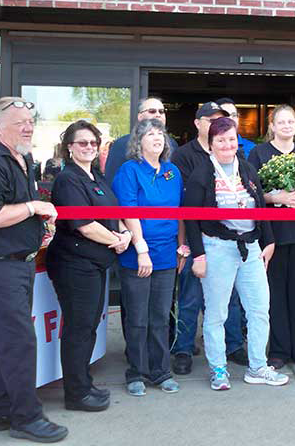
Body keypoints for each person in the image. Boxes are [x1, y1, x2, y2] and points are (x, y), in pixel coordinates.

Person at [0, 97, 68, 443]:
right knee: (18, 343)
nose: (28, 127)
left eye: (31, 121)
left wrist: (38, 224)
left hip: (18, 264)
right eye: (20, 123)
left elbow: (16, 211)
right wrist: (33, 206)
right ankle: (26, 418)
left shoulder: (23, 159)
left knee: (5, 342)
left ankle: (2, 410)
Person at [183, 116, 289, 390]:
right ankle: (218, 369)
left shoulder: (247, 168)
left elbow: (259, 208)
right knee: (217, 313)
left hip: (251, 247)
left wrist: (269, 241)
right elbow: (190, 218)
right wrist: (198, 255)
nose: (227, 144)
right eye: (221, 140)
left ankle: (257, 366)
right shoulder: (201, 174)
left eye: (231, 138)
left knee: (258, 309)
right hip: (217, 247)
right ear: (211, 144)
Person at [47, 120, 135, 412]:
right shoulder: (68, 180)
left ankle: (83, 383)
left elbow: (114, 212)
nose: (88, 147)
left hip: (95, 264)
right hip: (74, 264)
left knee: (88, 327)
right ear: (69, 147)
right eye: (81, 143)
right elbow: (84, 225)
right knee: (78, 328)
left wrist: (124, 233)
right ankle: (76, 393)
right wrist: (117, 240)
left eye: (93, 143)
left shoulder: (96, 176)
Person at [170, 102, 248, 374]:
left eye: (222, 120)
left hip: (230, 239)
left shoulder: (234, 155)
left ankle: (234, 345)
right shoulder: (182, 156)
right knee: (190, 297)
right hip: (196, 237)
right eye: (211, 119)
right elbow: (184, 204)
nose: (217, 123)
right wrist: (184, 245)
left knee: (231, 297)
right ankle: (183, 349)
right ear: (198, 123)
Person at [248, 104, 295, 369]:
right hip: (273, 235)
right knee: (275, 293)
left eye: (291, 121)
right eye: (281, 122)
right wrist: (274, 197)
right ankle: (279, 350)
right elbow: (251, 193)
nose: (287, 126)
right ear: (272, 125)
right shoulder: (259, 154)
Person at [111, 118, 183, 396]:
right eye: (150, 134)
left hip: (166, 255)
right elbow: (129, 211)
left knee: (161, 317)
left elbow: (179, 213)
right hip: (138, 255)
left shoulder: (172, 171)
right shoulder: (129, 171)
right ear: (138, 141)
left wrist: (182, 247)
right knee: (138, 318)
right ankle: (136, 372)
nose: (157, 138)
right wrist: (141, 249)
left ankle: (161, 371)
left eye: (160, 134)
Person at [104, 97, 176, 183]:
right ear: (140, 116)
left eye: (161, 111)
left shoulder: (172, 144)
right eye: (152, 111)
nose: (158, 114)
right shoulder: (121, 144)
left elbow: (172, 178)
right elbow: (112, 180)